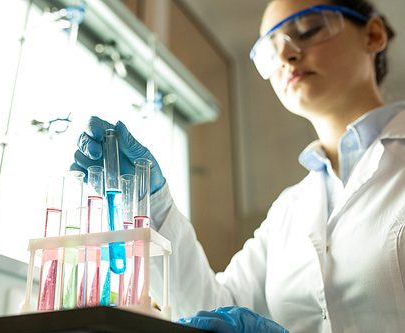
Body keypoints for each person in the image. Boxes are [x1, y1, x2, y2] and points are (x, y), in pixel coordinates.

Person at [71, 0, 405, 331]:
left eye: (308, 30)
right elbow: (211, 311)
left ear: (373, 35)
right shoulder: (290, 209)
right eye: (271, 50)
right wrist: (149, 204)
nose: (287, 56)